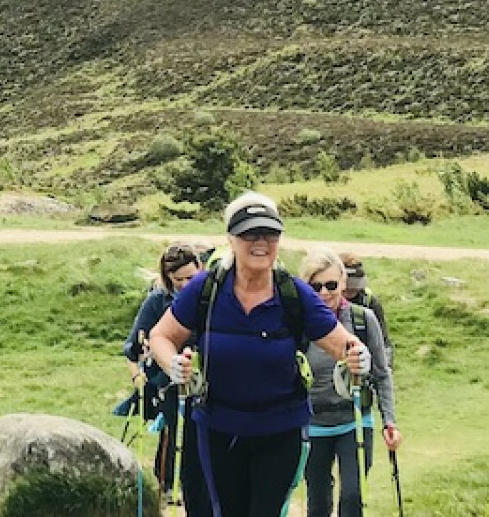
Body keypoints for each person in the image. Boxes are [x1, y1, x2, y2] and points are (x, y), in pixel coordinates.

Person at [147, 192, 371, 517]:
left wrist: (357, 357)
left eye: (269, 234)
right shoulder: (205, 289)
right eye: (249, 234)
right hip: (218, 430)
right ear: (231, 239)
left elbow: (344, 345)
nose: (260, 242)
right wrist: (172, 364)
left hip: (280, 432)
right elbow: (161, 336)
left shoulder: (293, 293)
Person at [302, 249, 400, 517]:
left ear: (343, 283)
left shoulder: (362, 320)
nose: (324, 293)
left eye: (331, 285)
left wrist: (389, 421)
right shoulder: (299, 323)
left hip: (355, 420)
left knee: (353, 496)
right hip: (313, 424)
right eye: (315, 286)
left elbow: (381, 373)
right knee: (318, 502)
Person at [121, 244, 204, 497]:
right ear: (168, 278)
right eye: (178, 280)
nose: (185, 285)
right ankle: (167, 485)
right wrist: (138, 375)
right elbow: (133, 344)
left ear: (200, 269)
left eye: (191, 278)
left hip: (206, 379)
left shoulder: (210, 297)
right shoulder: (158, 301)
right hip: (167, 381)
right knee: (176, 430)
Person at [340, 252, 394, 472]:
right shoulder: (321, 301)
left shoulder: (369, 303)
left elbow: (385, 343)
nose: (352, 291)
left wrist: (380, 368)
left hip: (362, 388)